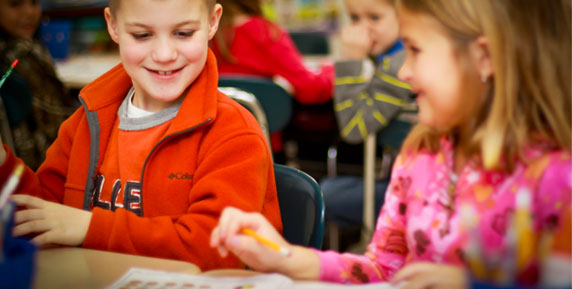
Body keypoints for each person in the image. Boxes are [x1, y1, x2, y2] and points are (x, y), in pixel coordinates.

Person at [210, 0, 571, 287]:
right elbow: (383, 268)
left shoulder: (557, 177)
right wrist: (285, 256)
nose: (402, 71)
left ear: (484, 58)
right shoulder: (420, 155)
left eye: (414, 50)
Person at [0, 0, 283, 271]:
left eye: (183, 33)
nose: (164, 54)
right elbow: (41, 218)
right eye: (142, 34)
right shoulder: (87, 120)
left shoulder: (233, 132)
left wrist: (89, 228)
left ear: (212, 22)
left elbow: (218, 251)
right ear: (112, 26)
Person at [320, 0, 415, 238]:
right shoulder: (392, 57)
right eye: (354, 18)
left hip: (411, 191)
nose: (363, 29)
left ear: (403, 16)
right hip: (397, 180)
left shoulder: (400, 66)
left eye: (374, 18)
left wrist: (351, 62)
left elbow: (354, 128)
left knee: (324, 195)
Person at [0, 0, 77, 170]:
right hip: (41, 165)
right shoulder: (22, 55)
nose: (29, 12)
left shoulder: (27, 47)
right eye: (15, 4)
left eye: (34, 2)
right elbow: (57, 115)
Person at [211, 0, 334, 105]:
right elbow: (311, 89)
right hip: (262, 130)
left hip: (215, 129)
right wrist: (332, 69)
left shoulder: (204, 35)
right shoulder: (263, 32)